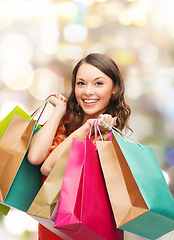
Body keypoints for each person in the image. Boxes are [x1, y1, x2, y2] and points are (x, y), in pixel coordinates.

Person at [27, 53, 131, 240]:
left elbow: (48, 167)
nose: (88, 91)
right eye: (81, 83)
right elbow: (35, 157)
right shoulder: (66, 122)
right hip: (52, 228)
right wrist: (58, 111)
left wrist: (87, 129)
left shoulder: (110, 138)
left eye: (98, 83)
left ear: (114, 88)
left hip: (87, 231)